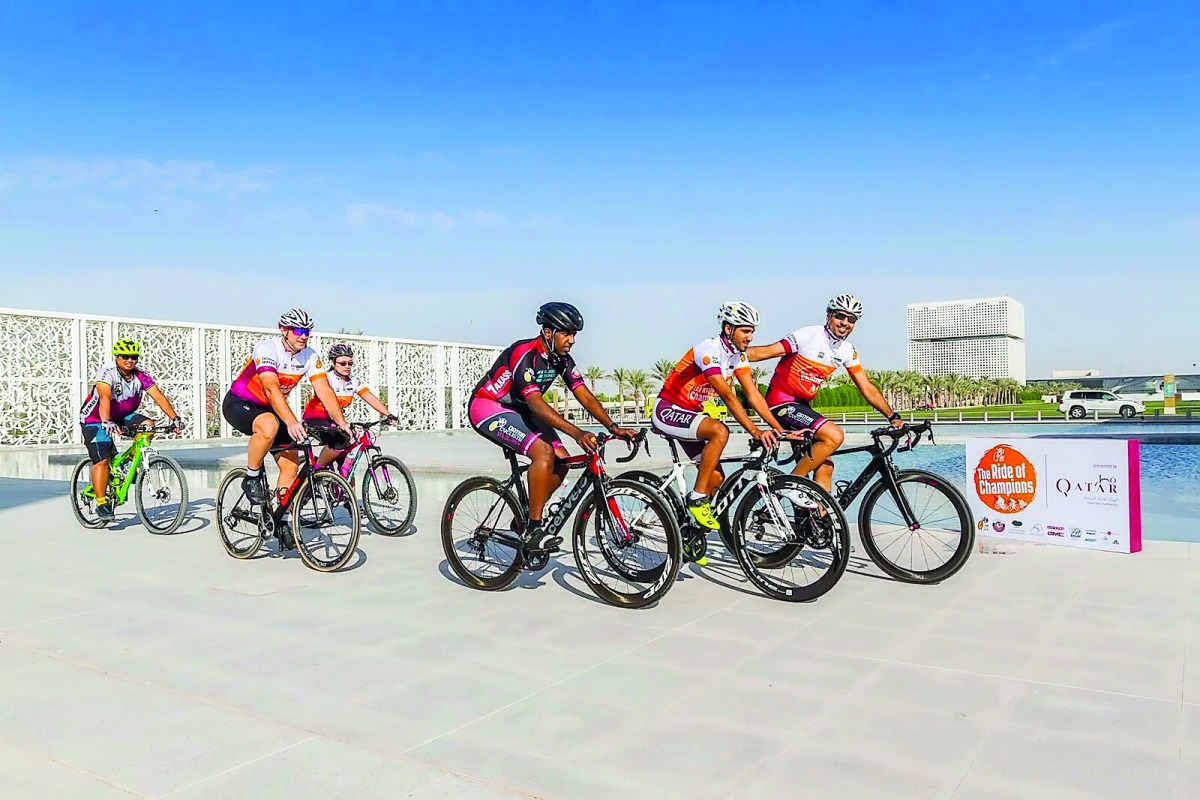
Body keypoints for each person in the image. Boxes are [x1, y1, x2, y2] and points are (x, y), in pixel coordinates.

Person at [468, 302, 636, 551]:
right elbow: (536, 404)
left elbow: (584, 395)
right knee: (543, 453)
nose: (572, 340)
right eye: (566, 333)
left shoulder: (562, 360)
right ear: (548, 333)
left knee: (563, 461)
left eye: (574, 334)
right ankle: (534, 530)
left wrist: (613, 427)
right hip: (488, 405)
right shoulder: (525, 354)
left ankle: (526, 519)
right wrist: (577, 433)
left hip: (520, 409)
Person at [747, 294, 903, 493]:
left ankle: (818, 513)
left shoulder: (846, 350)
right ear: (828, 315)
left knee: (825, 467)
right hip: (781, 402)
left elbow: (866, 387)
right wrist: (729, 354)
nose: (845, 323)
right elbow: (765, 352)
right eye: (840, 316)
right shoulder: (809, 335)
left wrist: (892, 416)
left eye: (851, 319)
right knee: (834, 435)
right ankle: (788, 487)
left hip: (802, 406)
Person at [651, 301, 785, 532]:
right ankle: (696, 498)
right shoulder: (708, 350)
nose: (750, 337)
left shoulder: (738, 357)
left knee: (715, 478)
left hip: (690, 416)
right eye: (745, 331)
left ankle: (690, 533)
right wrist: (755, 431)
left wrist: (780, 429)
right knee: (719, 431)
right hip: (667, 410)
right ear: (728, 329)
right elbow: (727, 396)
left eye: (752, 331)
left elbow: (753, 395)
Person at [222, 309, 353, 506]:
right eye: (298, 331)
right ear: (284, 330)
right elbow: (271, 388)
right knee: (269, 425)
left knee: (291, 463)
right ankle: (251, 477)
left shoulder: (309, 356)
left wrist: (341, 423)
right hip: (240, 403)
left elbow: (325, 391)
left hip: (271, 409)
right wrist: (291, 421)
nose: (304, 336)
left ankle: (282, 518)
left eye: (307, 331)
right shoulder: (267, 349)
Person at [78, 339, 184, 519]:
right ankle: (102, 503)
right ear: (117, 357)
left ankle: (127, 464)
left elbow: (158, 396)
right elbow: (104, 397)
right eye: (125, 357)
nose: (130, 360)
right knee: (102, 460)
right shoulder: (107, 373)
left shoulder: (141, 375)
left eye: (134, 357)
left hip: (122, 415)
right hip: (95, 419)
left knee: (148, 426)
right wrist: (106, 421)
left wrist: (175, 418)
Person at [302, 342, 397, 475]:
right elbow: (327, 402)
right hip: (316, 418)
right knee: (338, 440)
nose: (347, 366)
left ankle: (344, 486)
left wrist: (388, 414)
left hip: (335, 419)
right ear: (333, 363)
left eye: (350, 363)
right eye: (343, 363)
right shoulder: (326, 378)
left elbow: (369, 397)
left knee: (346, 469)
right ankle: (317, 471)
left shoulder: (353, 381)